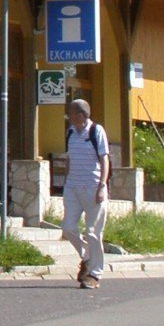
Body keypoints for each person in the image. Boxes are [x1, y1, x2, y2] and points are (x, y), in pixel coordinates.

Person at [63, 98, 110, 289]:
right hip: (73, 186)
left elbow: (104, 159)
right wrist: (66, 182)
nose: (69, 117)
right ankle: (87, 258)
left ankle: (94, 274)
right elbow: (69, 158)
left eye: (71, 114)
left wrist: (102, 185)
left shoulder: (96, 131)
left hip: (92, 187)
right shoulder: (71, 132)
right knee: (67, 227)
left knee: (93, 233)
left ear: (81, 115)